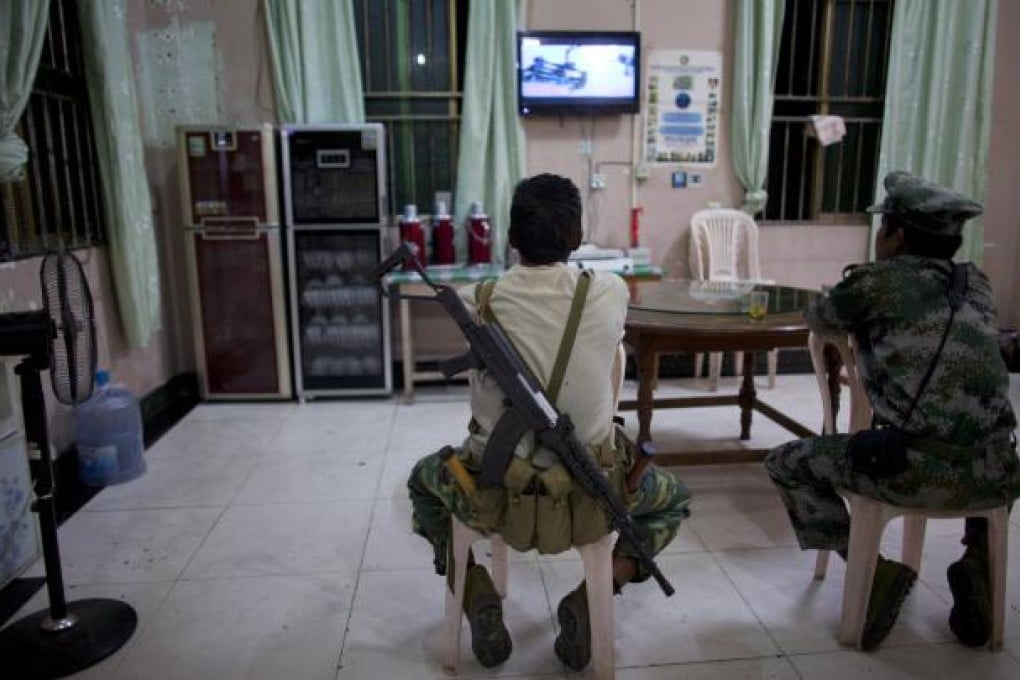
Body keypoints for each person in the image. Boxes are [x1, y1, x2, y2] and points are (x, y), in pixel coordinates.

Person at [407, 173, 690, 670]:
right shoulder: (611, 292)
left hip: (490, 494)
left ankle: (475, 591)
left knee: (422, 482)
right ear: (577, 236)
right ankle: (598, 593)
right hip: (591, 496)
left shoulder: (479, 298)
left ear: (510, 237)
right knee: (673, 500)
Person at [765, 170, 1020, 650]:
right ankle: (979, 560)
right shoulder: (977, 283)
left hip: (913, 470)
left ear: (896, 235)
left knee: (786, 463)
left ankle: (877, 575)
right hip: (1000, 473)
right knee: (978, 433)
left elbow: (820, 316)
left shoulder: (879, 284)